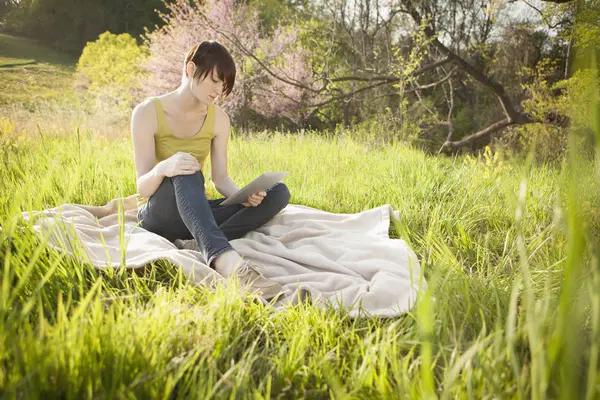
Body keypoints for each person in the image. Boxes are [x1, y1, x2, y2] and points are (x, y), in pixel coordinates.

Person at [131, 41, 290, 300]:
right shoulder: (147, 112)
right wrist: (164, 167)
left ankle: (196, 241)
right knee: (186, 165)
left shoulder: (219, 119)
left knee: (278, 192)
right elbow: (143, 187)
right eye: (215, 80)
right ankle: (228, 263)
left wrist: (243, 195)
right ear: (191, 69)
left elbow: (220, 179)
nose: (218, 90)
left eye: (223, 85)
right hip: (159, 215)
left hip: (195, 210)